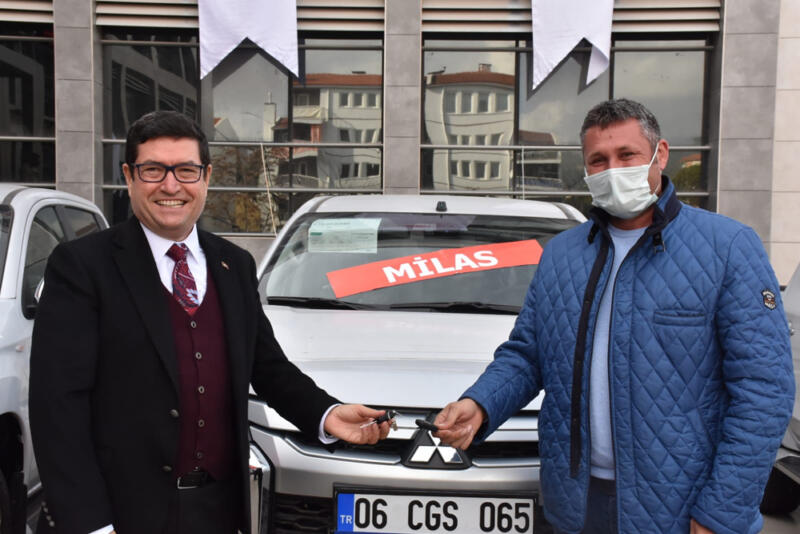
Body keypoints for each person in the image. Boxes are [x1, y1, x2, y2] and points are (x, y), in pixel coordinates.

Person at [434, 98, 795, 534]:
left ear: (660, 154)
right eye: (598, 160)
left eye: (627, 155)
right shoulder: (562, 254)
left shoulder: (728, 247)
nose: (613, 170)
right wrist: (480, 404)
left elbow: (764, 391)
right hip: (577, 502)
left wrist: (723, 510)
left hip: (682, 507)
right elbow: (528, 355)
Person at [29, 110, 391, 534]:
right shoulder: (82, 266)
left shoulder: (233, 265)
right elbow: (58, 407)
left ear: (206, 177)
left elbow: (268, 367)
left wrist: (327, 414)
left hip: (217, 510)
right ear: (129, 176)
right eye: (153, 170)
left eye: (186, 170)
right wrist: (91, 524)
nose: (171, 186)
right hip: (123, 513)